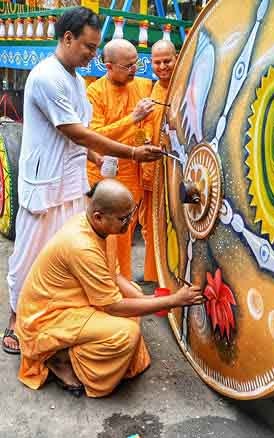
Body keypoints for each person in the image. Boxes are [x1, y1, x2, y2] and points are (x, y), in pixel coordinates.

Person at [4, 7, 163, 355]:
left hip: (72, 184)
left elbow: (83, 136)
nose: (93, 54)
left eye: (95, 48)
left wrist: (96, 157)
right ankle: (16, 319)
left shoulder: (77, 80)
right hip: (43, 187)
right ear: (67, 38)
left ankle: (54, 320)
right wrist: (131, 154)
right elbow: (75, 131)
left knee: (66, 257)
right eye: (89, 47)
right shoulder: (47, 76)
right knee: (28, 256)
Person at [16, 179, 204, 398]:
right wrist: (173, 301)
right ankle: (59, 358)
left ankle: (81, 350)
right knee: (126, 333)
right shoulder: (81, 246)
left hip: (75, 304)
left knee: (134, 293)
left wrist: (149, 299)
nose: (129, 224)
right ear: (99, 216)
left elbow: (113, 275)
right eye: (124, 218)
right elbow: (113, 306)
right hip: (46, 319)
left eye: (131, 214)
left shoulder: (102, 229)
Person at [85, 38, 155, 283]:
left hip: (130, 173)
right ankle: (101, 283)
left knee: (125, 235)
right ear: (109, 66)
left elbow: (142, 129)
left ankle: (123, 282)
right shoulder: (94, 93)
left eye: (136, 63)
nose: (134, 69)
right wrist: (132, 119)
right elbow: (94, 137)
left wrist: (141, 138)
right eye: (128, 65)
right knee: (103, 235)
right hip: (103, 175)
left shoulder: (143, 86)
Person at [138, 39, 177, 284]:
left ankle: (173, 274)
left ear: (177, 58)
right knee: (150, 225)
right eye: (157, 62)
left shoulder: (184, 87)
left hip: (175, 172)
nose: (162, 66)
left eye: (167, 61)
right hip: (152, 170)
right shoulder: (150, 90)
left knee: (172, 225)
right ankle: (154, 276)